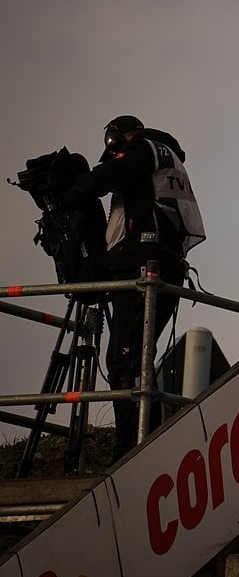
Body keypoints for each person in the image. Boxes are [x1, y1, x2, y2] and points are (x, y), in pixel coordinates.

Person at [63, 115, 205, 460]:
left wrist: (68, 193)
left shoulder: (143, 149)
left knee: (125, 361)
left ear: (116, 138)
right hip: (164, 266)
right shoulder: (168, 157)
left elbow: (101, 180)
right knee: (138, 360)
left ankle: (132, 450)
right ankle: (147, 444)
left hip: (144, 266)